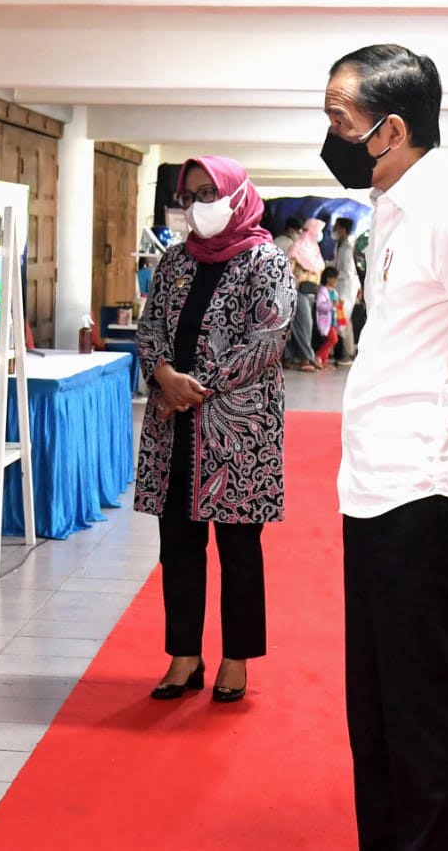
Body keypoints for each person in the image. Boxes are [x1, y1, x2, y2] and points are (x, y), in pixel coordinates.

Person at [322, 43, 448, 851]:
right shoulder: (393, 207)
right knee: (372, 701)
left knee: (417, 704)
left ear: (391, 128)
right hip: (374, 483)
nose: (331, 132)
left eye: (341, 118)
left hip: (426, 487)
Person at [134, 155, 294, 705]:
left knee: (238, 548)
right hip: (173, 427)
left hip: (236, 430)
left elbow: (267, 339)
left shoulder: (266, 261)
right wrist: (161, 374)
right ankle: (184, 654)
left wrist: (193, 385)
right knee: (177, 544)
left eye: (209, 192)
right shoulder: (175, 262)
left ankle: (235, 657)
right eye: (190, 195)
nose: (198, 205)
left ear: (236, 192)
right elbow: (150, 323)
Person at [332, 218, 359, 360]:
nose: (334, 229)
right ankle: (348, 352)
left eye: (336, 226)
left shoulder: (349, 246)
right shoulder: (339, 244)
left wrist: (332, 273)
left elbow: (348, 271)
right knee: (345, 321)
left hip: (347, 285)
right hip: (340, 284)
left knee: (341, 318)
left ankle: (341, 353)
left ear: (342, 228)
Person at [314, 266, 341, 368]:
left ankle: (323, 361)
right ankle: (318, 356)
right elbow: (320, 306)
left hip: (333, 321)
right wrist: (332, 304)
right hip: (325, 321)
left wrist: (338, 305)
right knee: (334, 339)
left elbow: (336, 305)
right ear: (329, 278)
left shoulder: (334, 292)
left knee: (330, 340)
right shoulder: (323, 291)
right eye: (335, 278)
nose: (336, 281)